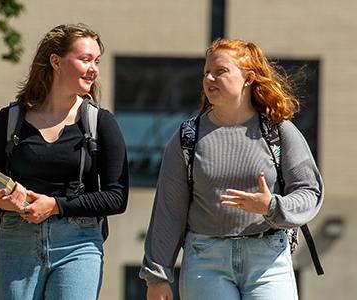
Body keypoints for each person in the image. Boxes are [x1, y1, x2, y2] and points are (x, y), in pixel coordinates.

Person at [139, 38, 324, 300]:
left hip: (268, 259)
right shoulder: (187, 137)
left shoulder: (278, 131)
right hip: (205, 261)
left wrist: (271, 206)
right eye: (206, 73)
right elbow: (169, 211)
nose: (209, 79)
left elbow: (309, 192)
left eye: (220, 71)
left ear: (248, 79)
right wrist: (157, 276)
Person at [0, 23, 129, 300]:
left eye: (97, 61)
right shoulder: (9, 120)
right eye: (85, 59)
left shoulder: (100, 122)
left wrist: (56, 206)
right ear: (56, 61)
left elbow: (116, 197)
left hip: (79, 244)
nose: (94, 69)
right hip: (16, 241)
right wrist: (4, 201)